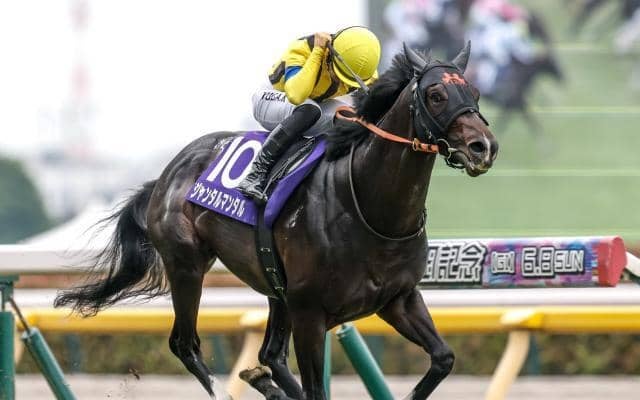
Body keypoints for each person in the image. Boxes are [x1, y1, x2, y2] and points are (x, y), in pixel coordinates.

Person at [237, 26, 381, 204]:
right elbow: (296, 95)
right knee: (310, 110)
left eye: (348, 81)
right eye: (338, 74)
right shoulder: (301, 49)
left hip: (311, 106)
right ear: (331, 55)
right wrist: (318, 52)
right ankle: (254, 175)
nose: (341, 82)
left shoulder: (362, 71)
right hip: (270, 100)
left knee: (352, 117)